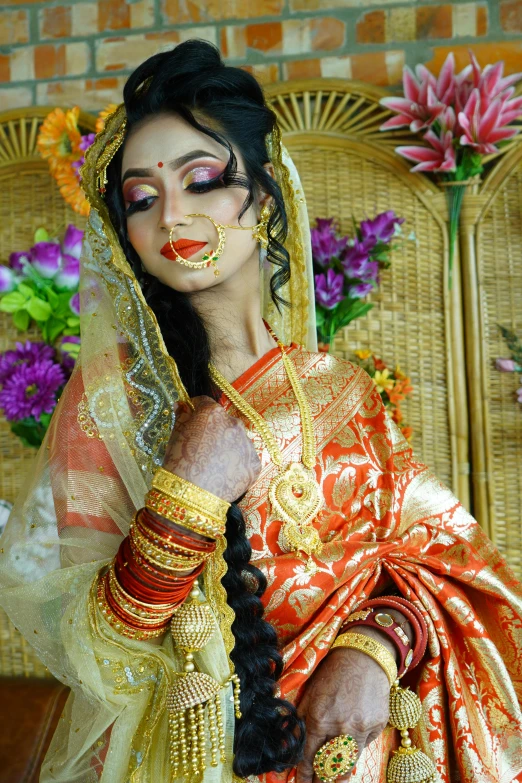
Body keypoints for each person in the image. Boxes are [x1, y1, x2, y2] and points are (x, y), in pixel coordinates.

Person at [0, 40, 521, 783]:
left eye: (203, 179)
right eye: (142, 198)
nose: (172, 213)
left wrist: (371, 647)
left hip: (385, 750)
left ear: (265, 196)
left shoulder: (343, 387)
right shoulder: (117, 404)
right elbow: (98, 646)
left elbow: (450, 564)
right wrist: (187, 495)